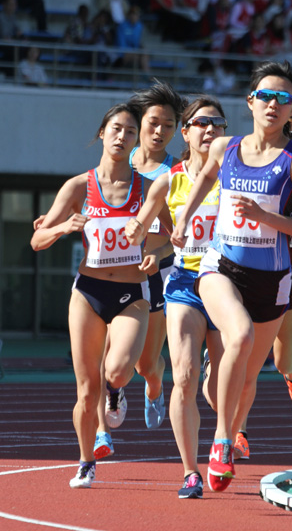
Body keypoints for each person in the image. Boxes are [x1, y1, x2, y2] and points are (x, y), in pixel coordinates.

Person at [170, 60, 292, 492]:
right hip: (221, 268)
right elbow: (203, 180)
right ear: (251, 102)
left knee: (249, 377)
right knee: (239, 335)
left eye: (283, 98)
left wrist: (264, 217)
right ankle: (221, 441)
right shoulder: (226, 148)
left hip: (272, 280)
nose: (273, 104)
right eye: (266, 96)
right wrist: (184, 219)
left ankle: (233, 429)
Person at [30, 102, 159, 488]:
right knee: (86, 391)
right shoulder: (78, 187)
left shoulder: (146, 188)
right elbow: (37, 240)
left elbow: (172, 234)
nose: (122, 136)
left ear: (137, 141)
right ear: (102, 133)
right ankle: (86, 460)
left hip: (132, 293)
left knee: (116, 370)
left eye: (131, 131)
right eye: (116, 128)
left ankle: (116, 391)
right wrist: (63, 227)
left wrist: (155, 253)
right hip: (88, 292)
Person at [207, 100, 292, 460]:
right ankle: (238, 431)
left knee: (281, 361)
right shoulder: (250, 164)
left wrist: (283, 222)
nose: (288, 139)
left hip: (291, 274)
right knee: (243, 347)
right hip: (244, 266)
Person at [125, 96, 227, 499]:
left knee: (218, 391)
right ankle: (190, 472)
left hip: (229, 284)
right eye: (201, 123)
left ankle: (225, 436)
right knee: (182, 375)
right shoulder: (170, 180)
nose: (210, 129)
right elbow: (142, 223)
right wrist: (134, 232)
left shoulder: (236, 176)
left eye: (217, 123)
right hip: (185, 283)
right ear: (185, 133)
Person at [93, 80, 186, 459]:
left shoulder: (177, 172)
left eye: (169, 125)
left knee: (147, 363)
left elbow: (179, 235)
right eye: (153, 123)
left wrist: (159, 251)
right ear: (138, 123)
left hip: (157, 274)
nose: (160, 131)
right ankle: (102, 429)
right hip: (109, 272)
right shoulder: (119, 155)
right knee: (103, 355)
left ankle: (154, 387)